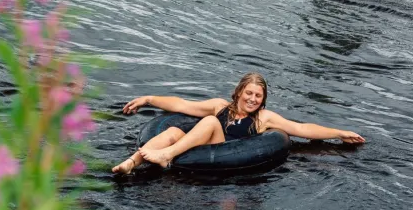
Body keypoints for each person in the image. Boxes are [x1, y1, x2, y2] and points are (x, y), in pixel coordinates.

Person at [111, 72, 365, 174]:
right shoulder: (220, 106)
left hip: (225, 152)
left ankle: (166, 156)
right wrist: (147, 99)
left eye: (258, 96)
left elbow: (301, 129)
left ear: (263, 100)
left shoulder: (263, 119)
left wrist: (339, 132)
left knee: (210, 122)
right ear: (239, 92)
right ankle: (131, 163)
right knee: (174, 129)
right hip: (198, 147)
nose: (253, 99)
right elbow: (181, 105)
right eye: (249, 93)